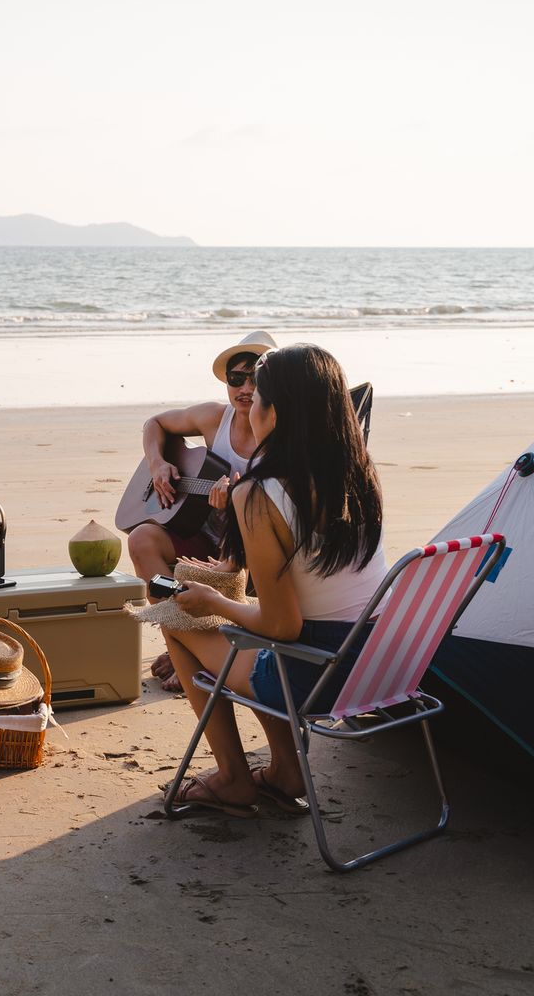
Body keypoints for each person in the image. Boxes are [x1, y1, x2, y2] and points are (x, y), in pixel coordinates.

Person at [163, 344, 386, 816]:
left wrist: (214, 603)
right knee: (252, 634)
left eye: (258, 394)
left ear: (275, 411)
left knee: (176, 620)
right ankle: (285, 772)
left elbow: (281, 626)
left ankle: (232, 779)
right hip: (383, 664)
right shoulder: (361, 474)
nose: (250, 403)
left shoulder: (260, 493)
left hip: (319, 674)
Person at [128, 330, 277, 692]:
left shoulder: (278, 433)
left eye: (254, 378)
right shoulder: (214, 418)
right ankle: (182, 647)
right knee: (142, 539)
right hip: (204, 533)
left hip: (253, 548)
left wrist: (239, 509)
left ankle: (207, 656)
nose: (244, 388)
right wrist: (157, 464)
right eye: (235, 378)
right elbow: (155, 423)